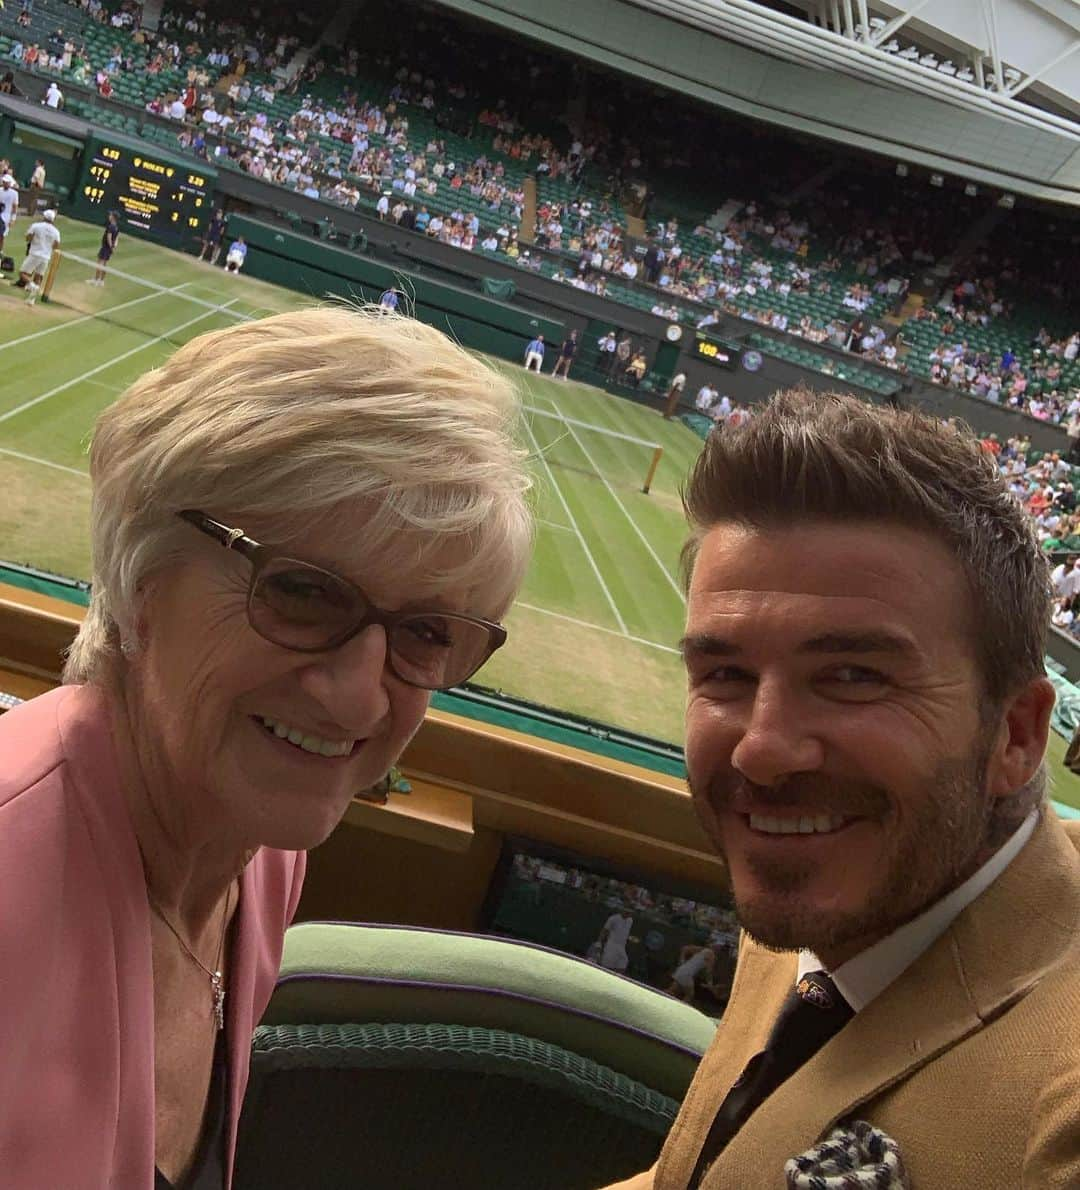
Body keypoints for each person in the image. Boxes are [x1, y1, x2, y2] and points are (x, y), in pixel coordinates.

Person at [0, 307, 533, 1187]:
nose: (362, 697)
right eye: (301, 592)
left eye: (427, 631)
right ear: (141, 576)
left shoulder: (255, 846)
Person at [603, 391, 1080, 1190]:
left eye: (854, 676)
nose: (762, 752)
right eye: (724, 673)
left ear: (1019, 735)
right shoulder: (834, 877)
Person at [18, 206, 59, 303]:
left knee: (22, 273)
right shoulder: (56, 232)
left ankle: (31, 285)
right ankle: (31, 300)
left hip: (35, 254)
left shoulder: (36, 226)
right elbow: (56, 246)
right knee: (39, 276)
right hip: (46, 257)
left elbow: (28, 238)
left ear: (44, 217)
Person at [591, 907, 634, 973]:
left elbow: (625, 933)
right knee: (605, 966)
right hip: (611, 945)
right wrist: (599, 942)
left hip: (622, 947)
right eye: (627, 912)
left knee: (623, 963)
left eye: (630, 913)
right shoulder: (613, 918)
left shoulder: (630, 921)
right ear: (622, 910)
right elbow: (604, 931)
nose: (628, 914)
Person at [88, 209, 119, 285]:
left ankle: (96, 280)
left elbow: (109, 237)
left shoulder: (110, 227)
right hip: (108, 248)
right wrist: (113, 246)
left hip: (105, 247)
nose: (109, 216)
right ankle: (101, 281)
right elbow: (117, 238)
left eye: (111, 215)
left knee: (99, 263)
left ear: (113, 217)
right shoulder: (116, 227)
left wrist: (111, 246)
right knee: (104, 264)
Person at [0, 173, 19, 252]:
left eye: (7, 182)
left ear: (10, 183)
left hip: (6, 217)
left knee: (2, 236)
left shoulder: (14, 193)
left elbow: (15, 207)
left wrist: (13, 219)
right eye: (4, 182)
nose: (5, 183)